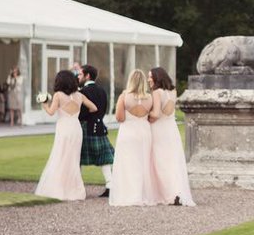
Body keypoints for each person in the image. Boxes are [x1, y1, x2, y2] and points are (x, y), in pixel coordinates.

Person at [34, 70, 96, 201]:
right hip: (76, 128)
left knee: (60, 156)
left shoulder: (58, 95)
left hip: (64, 128)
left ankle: (59, 188)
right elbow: (93, 108)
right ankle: (74, 190)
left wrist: (44, 104)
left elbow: (51, 112)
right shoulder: (79, 96)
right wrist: (80, 114)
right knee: (73, 159)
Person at [148, 66, 195, 206]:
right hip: (171, 129)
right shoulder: (173, 91)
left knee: (160, 163)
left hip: (159, 130)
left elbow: (156, 114)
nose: (148, 79)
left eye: (150, 76)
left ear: (157, 77)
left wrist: (144, 114)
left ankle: (166, 194)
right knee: (172, 162)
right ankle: (176, 192)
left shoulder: (157, 92)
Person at [109, 69, 156, 207]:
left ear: (131, 81)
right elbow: (151, 116)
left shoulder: (124, 96)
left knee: (127, 163)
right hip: (144, 132)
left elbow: (119, 118)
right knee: (143, 163)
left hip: (128, 132)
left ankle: (128, 194)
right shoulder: (150, 98)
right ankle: (141, 194)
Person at [77, 64, 115, 197]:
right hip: (99, 126)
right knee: (104, 158)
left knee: (77, 157)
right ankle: (110, 185)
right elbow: (103, 109)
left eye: (80, 74)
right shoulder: (102, 91)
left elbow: (82, 112)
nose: (78, 77)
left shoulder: (82, 92)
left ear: (87, 76)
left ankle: (77, 186)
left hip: (85, 127)